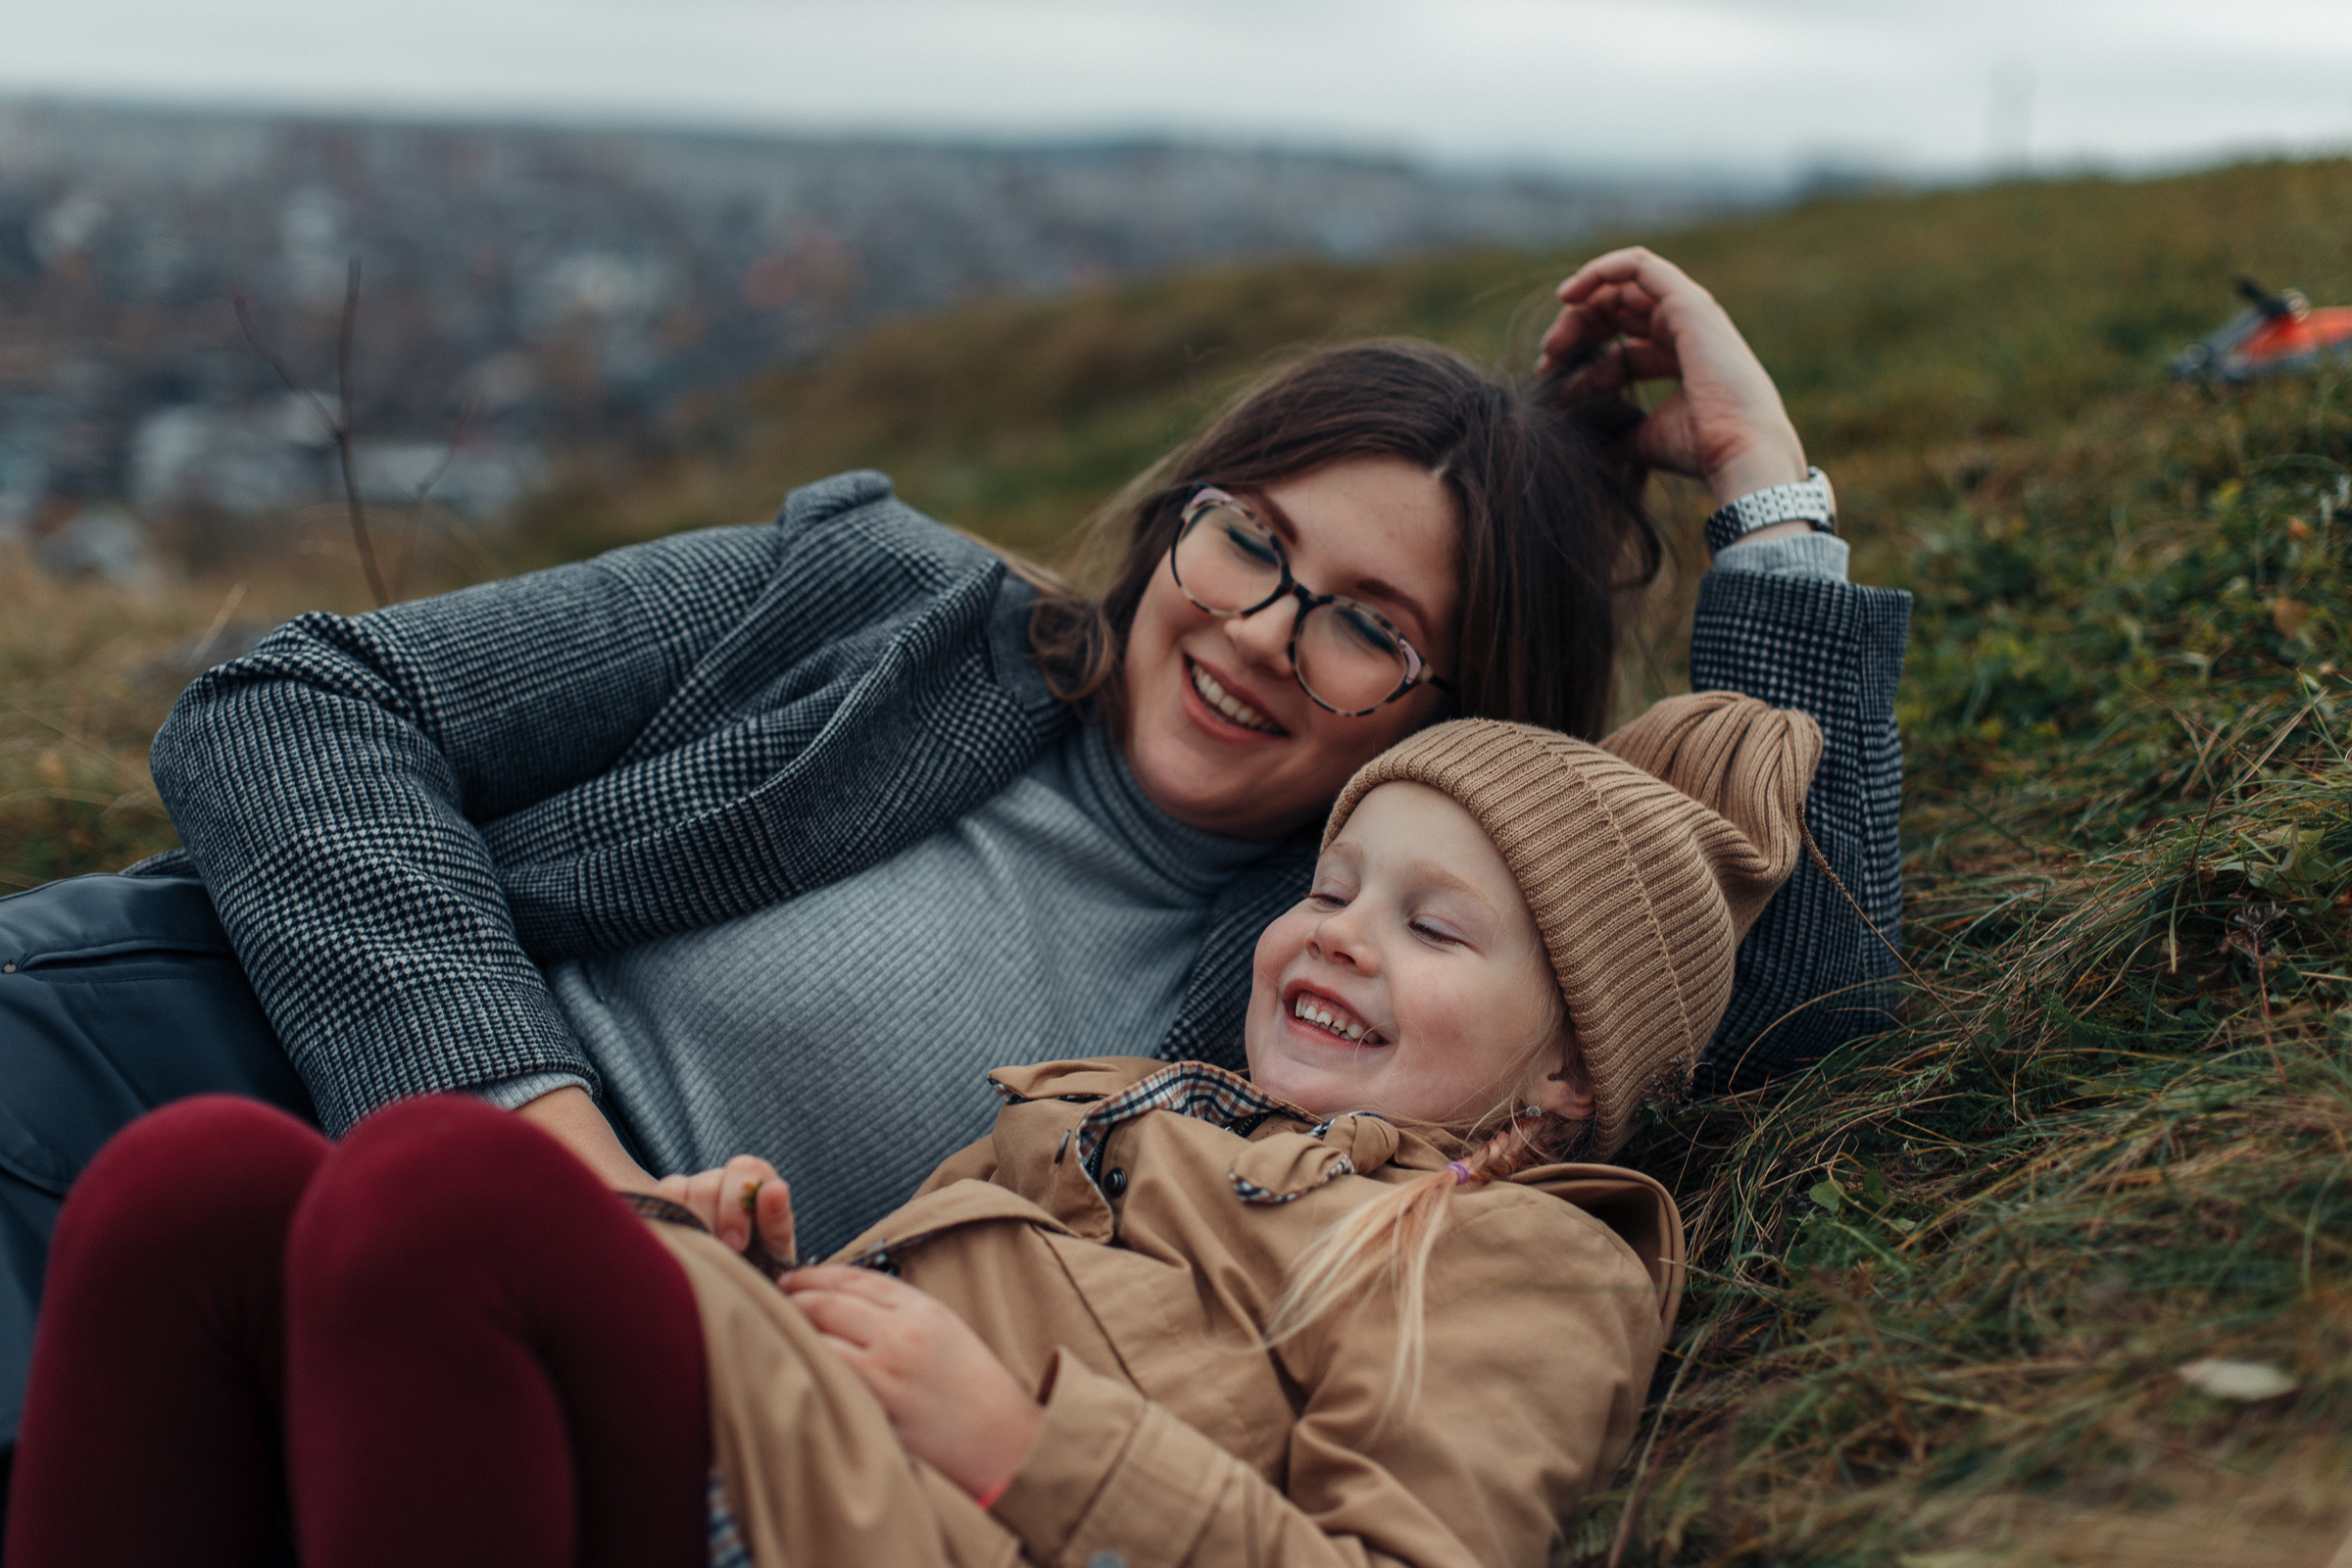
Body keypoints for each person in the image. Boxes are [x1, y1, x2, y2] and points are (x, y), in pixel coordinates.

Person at [0, 250, 1911, 1468]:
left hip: (500, 1396)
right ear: (1180, 517)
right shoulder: (884, 600)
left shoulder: (1323, 994)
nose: (1257, 627)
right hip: (156, 1072)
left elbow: (1794, 1005)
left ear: (1449, 718)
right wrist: (539, 1135)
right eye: (1247, 540)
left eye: (1363, 624)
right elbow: (288, 711)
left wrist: (1772, 491)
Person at [8, 693, 1820, 1568]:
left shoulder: (1529, 1254)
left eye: (1432, 929)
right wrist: (745, 1246)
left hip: (885, 1531)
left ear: (1575, 1072)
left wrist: (1028, 1442)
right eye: (1335, 882)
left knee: (440, 1186)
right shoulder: (1121, 1098)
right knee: (198, 1188)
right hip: (763, 1452)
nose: (1339, 931)